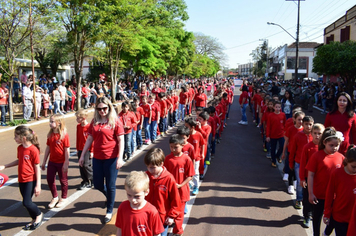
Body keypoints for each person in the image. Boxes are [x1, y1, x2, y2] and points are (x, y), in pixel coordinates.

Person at [79, 96, 124, 224]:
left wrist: (120, 158)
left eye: (104, 108)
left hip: (111, 158)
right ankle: (109, 197)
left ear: (109, 108)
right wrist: (83, 155)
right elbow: (89, 139)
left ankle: (109, 210)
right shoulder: (94, 121)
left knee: (110, 185)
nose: (102, 111)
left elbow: (121, 140)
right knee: (98, 184)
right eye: (99, 109)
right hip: (98, 158)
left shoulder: (115, 121)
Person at [0, 126, 43, 230]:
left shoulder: (33, 150)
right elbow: (19, 161)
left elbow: (37, 168)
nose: (14, 138)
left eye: (16, 136)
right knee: (26, 202)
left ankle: (39, 214)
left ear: (23, 137)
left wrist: (38, 185)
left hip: (30, 180)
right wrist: (5, 166)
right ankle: (33, 218)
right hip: (22, 179)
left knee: (27, 202)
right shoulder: (20, 148)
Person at [306, 127, 345, 236]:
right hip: (319, 195)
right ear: (324, 143)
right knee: (317, 217)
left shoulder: (341, 157)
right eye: (331, 145)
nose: (334, 148)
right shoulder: (317, 156)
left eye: (336, 145)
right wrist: (311, 193)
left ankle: (327, 232)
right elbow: (311, 175)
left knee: (334, 218)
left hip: (334, 196)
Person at [144, 148, 181, 236]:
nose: (150, 170)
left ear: (161, 164)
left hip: (162, 218)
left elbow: (176, 199)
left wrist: (172, 216)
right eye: (148, 167)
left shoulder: (169, 178)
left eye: (153, 167)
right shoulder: (145, 176)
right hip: (147, 216)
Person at [115, 171, 164, 236]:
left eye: (137, 196)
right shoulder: (123, 207)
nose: (133, 200)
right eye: (129, 195)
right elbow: (119, 228)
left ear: (146, 192)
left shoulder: (152, 211)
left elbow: (157, 234)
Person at [164, 134, 194, 236]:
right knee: (169, 210)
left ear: (182, 146)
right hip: (169, 191)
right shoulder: (167, 159)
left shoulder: (187, 159)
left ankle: (177, 232)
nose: (173, 149)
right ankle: (171, 228)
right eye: (171, 147)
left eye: (175, 147)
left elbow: (190, 176)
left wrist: (180, 185)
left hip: (181, 192)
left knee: (179, 214)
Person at [323, 145, 356, 236]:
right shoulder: (337, 173)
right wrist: (327, 213)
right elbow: (329, 194)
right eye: (353, 167)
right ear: (346, 161)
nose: (355, 169)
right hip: (340, 216)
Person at [299, 123, 325, 228]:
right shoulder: (307, 147)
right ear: (311, 134)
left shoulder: (324, 148)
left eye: (320, 133)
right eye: (315, 133)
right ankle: (307, 216)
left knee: (318, 199)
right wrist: (301, 178)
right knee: (307, 198)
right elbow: (302, 163)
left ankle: (315, 214)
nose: (317, 136)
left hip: (319, 180)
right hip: (308, 178)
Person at [41, 114, 70, 209]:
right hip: (52, 162)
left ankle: (64, 197)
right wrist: (44, 161)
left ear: (59, 123)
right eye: (50, 121)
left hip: (61, 162)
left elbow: (66, 150)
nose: (50, 123)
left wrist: (66, 163)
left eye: (52, 121)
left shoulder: (64, 135)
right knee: (49, 179)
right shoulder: (50, 135)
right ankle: (55, 197)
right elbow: (48, 148)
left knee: (63, 180)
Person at [289, 116, 314, 210]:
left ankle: (307, 198)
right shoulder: (298, 136)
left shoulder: (314, 136)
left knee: (310, 183)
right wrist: (291, 163)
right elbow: (292, 150)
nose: (308, 126)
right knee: (300, 183)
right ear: (302, 124)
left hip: (311, 165)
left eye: (310, 124)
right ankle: (299, 199)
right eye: (306, 124)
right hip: (299, 163)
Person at [75, 109, 93, 190]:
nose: (77, 119)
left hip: (87, 150)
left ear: (83, 118)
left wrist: (92, 151)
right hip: (80, 149)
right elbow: (78, 138)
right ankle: (85, 181)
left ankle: (92, 179)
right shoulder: (78, 126)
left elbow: (92, 140)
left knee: (86, 165)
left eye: (78, 118)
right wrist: (77, 149)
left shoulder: (89, 127)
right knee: (81, 165)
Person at [266, 101, 286, 167]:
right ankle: (273, 161)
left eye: (279, 107)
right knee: (273, 148)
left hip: (281, 134)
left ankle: (277, 156)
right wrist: (267, 135)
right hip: (273, 135)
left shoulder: (283, 115)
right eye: (276, 107)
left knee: (282, 146)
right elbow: (268, 126)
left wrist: (285, 132)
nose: (277, 108)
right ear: (274, 107)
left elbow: (284, 124)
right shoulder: (270, 115)